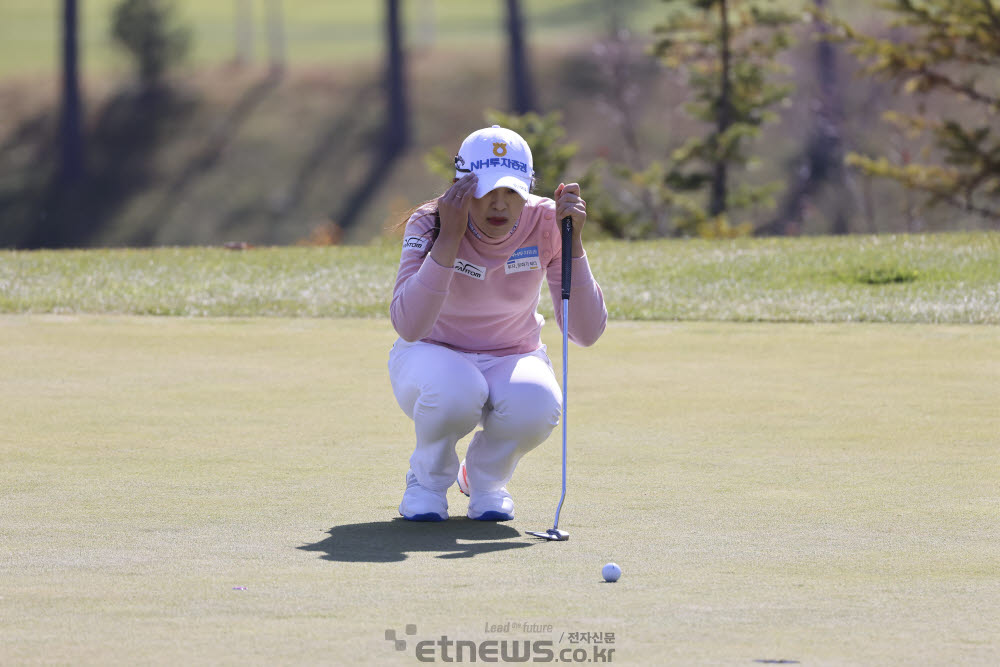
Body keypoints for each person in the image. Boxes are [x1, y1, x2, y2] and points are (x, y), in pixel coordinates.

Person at [388, 125, 607, 522]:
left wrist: (573, 244)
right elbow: (409, 325)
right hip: (429, 354)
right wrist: (450, 238)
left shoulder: (547, 222)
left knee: (537, 404)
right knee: (456, 389)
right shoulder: (430, 222)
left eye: (512, 192)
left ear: (528, 188)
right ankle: (427, 482)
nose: (499, 205)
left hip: (513, 353)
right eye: (487, 190)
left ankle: (485, 481)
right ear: (461, 186)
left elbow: (585, 332)